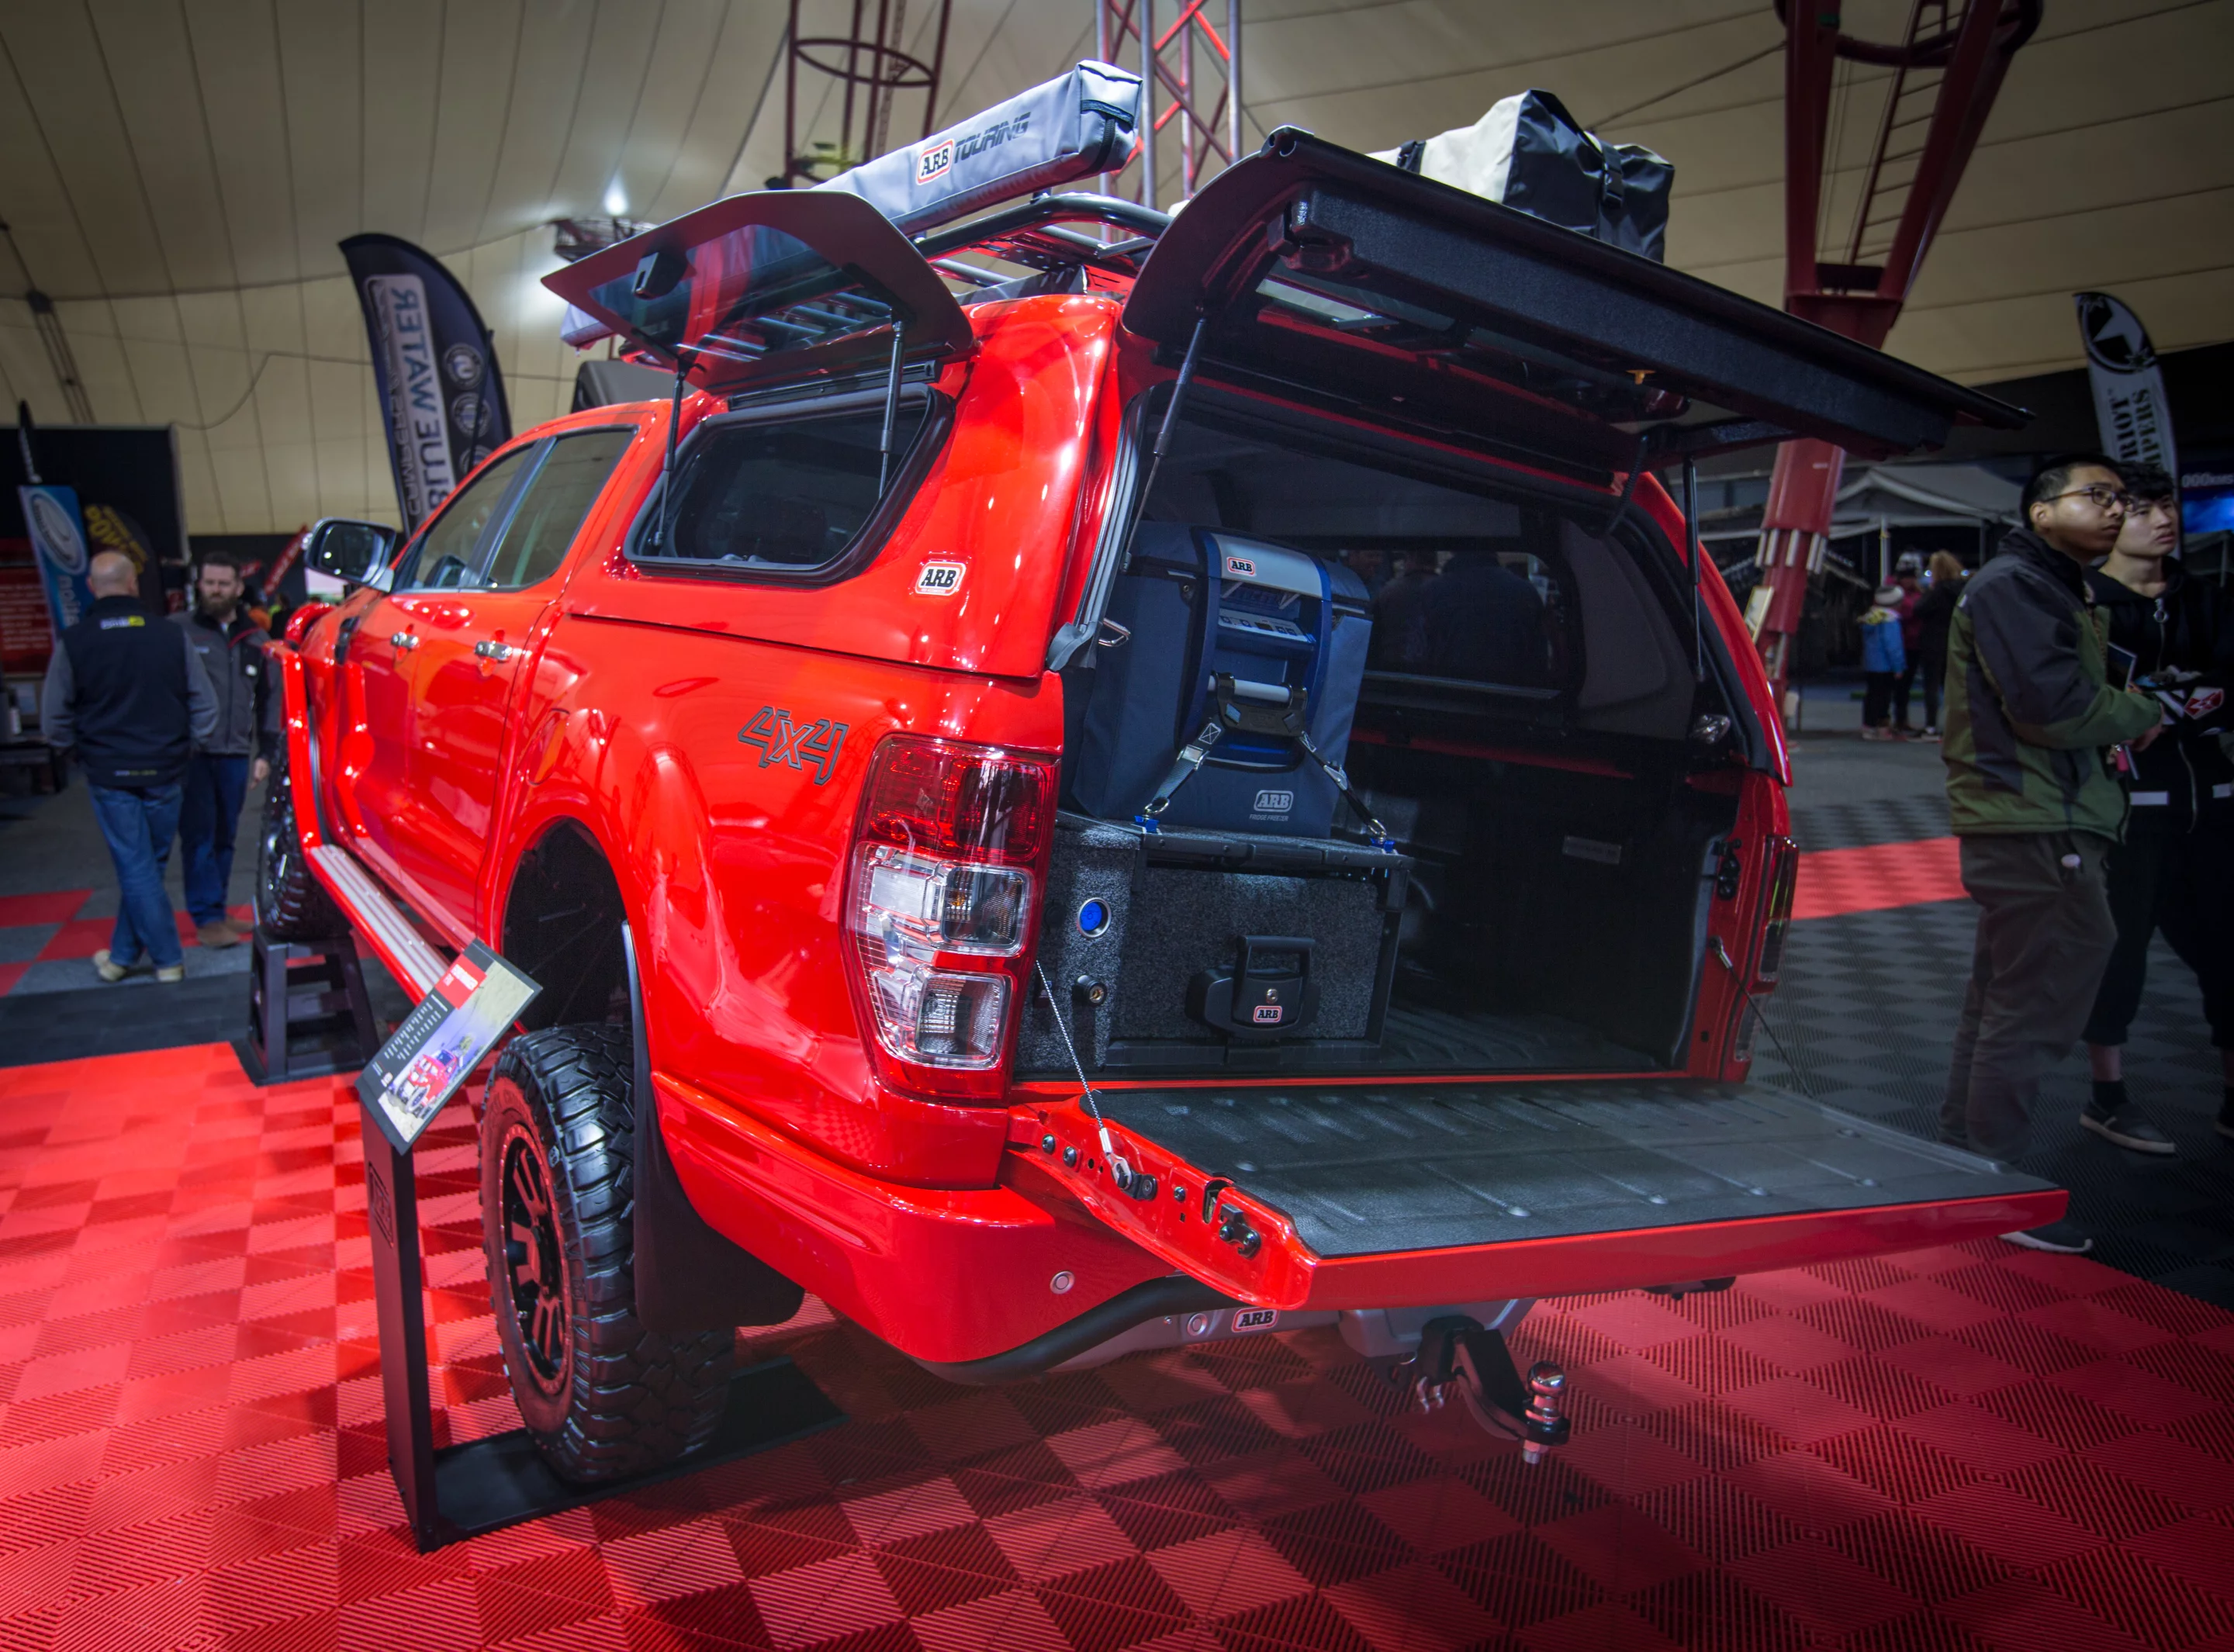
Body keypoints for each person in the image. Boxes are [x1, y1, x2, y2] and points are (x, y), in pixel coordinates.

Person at [1939, 454, 2165, 1253]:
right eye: (2096, 496)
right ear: (2041, 511)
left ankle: (1963, 1164)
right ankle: (1989, 1179)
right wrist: (2141, 709)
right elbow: (2053, 705)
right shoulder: (2018, 587)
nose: (2115, 512)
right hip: (2036, 819)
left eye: (2121, 500)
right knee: (2031, 1003)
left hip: (2034, 818)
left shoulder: (2049, 586)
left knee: (2004, 995)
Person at [2080, 464, 2234, 1149]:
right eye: (2141, 508)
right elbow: (2094, 702)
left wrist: (2163, 707)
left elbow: (2222, 687)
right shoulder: (2088, 605)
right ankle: (2107, 1095)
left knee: (2228, 950)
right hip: (2129, 805)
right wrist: (2169, 704)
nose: (2161, 519)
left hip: (2215, 798)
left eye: (2166, 505)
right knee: (2122, 949)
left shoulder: (2211, 598)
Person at [40, 551, 219, 984]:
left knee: (136, 866)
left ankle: (167, 960)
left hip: (108, 775)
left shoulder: (74, 642)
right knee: (147, 865)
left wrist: (81, 757)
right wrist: (186, 749)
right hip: (166, 770)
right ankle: (120, 958)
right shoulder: (170, 636)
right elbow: (206, 705)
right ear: (134, 585)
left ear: (91, 587)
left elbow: (53, 721)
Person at [174, 552, 277, 948]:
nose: (215, 590)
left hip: (235, 754)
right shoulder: (179, 631)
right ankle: (206, 917)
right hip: (193, 756)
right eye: (208, 582)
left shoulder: (254, 639)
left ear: (238, 588)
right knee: (199, 836)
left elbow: (270, 699)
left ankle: (215, 909)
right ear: (199, 585)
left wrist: (265, 753)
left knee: (226, 836)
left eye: (223, 584)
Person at [1911, 550, 1966, 741]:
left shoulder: (1938, 591)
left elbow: (1919, 610)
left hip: (1933, 640)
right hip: (1954, 640)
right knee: (1951, 685)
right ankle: (1955, 725)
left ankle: (1931, 725)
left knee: (1931, 686)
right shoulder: (1962, 590)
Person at [1859, 582, 1907, 739]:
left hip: (1872, 665)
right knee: (1884, 697)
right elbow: (1893, 646)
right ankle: (1882, 727)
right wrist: (1898, 667)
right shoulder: (1891, 620)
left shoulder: (1871, 618)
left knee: (1872, 695)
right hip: (1886, 666)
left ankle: (1868, 726)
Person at [1890, 552, 1926, 732]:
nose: (1908, 581)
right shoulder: (1893, 592)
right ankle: (1894, 719)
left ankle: (1901, 719)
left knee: (1905, 684)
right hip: (1898, 644)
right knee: (1897, 685)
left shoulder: (1917, 593)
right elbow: (1908, 611)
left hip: (1912, 644)